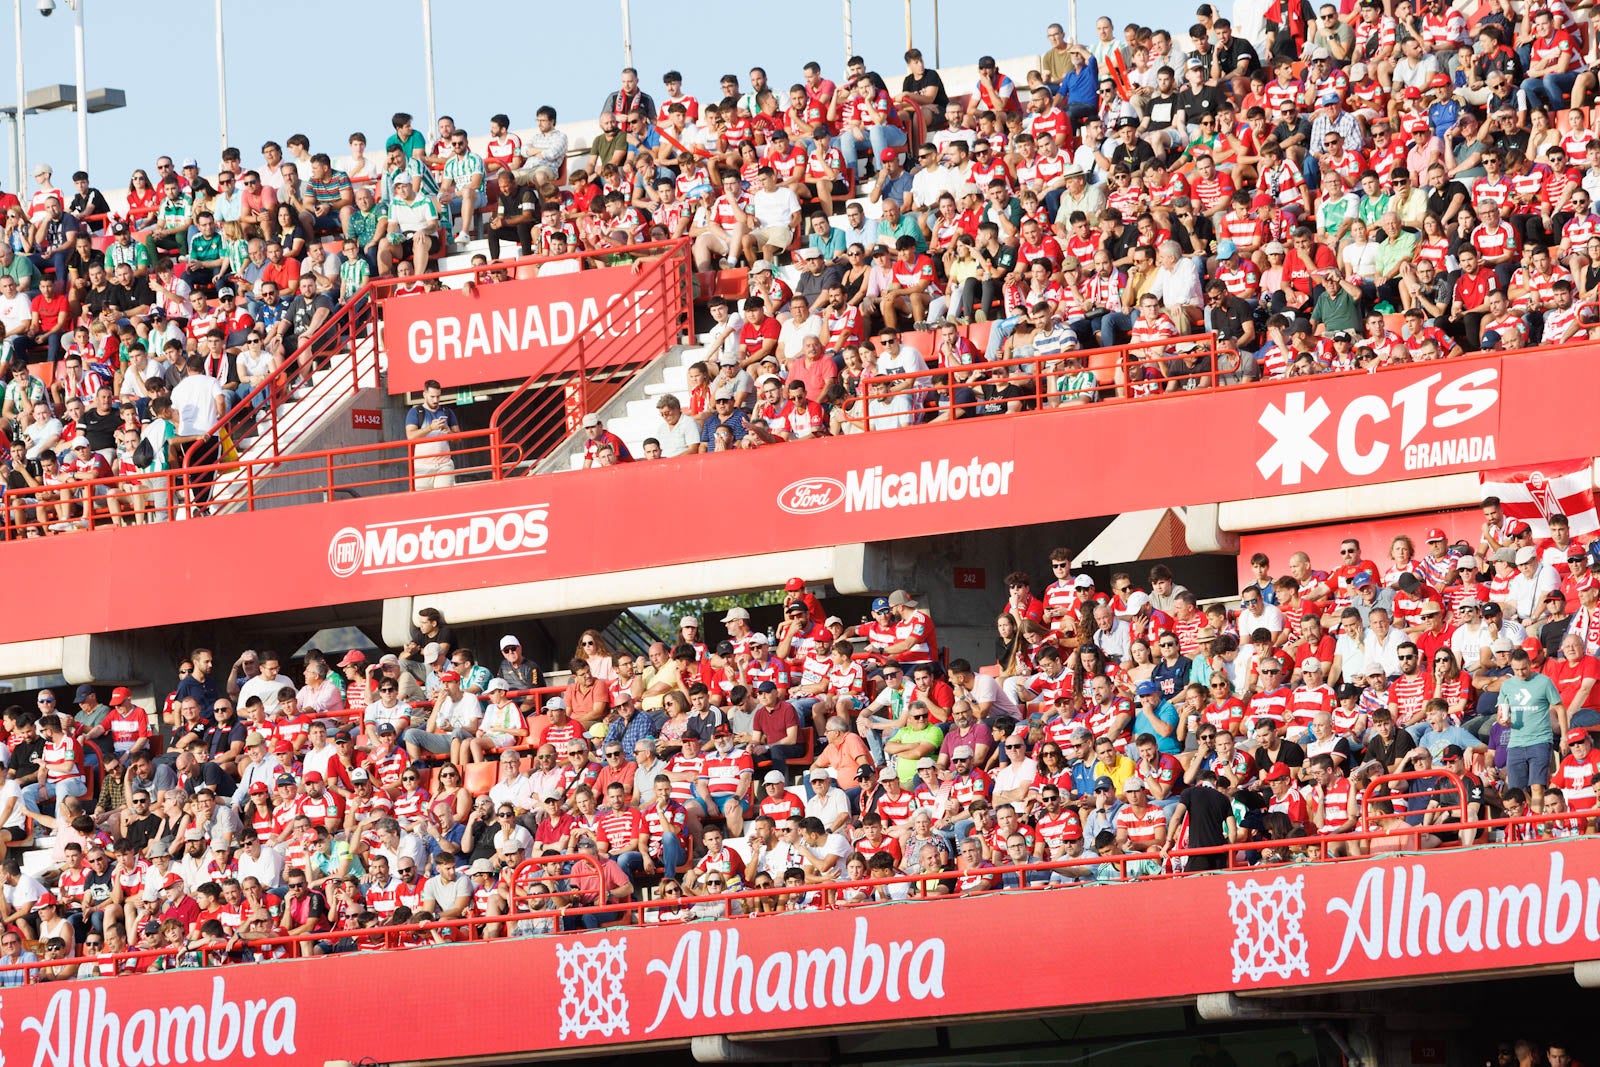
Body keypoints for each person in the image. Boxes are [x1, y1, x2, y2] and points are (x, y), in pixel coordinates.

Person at [406, 379, 458, 490]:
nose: (436, 400)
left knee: (443, 497)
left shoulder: (447, 411)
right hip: (422, 466)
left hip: (444, 465)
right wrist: (430, 428)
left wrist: (448, 431)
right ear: (424, 394)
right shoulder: (415, 412)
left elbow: (458, 438)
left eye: (438, 397)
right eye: (432, 397)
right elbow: (410, 436)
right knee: (423, 499)